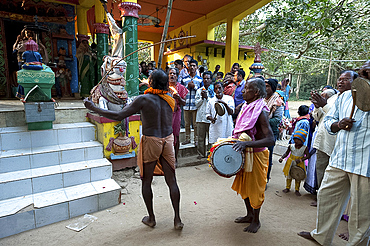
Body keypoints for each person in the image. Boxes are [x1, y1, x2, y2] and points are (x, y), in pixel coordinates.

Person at [83, 69, 184, 230]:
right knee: (172, 181)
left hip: (152, 141)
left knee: (146, 181)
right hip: (168, 140)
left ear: (150, 83)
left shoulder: (143, 99)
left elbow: (118, 116)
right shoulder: (170, 98)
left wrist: (93, 107)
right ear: (166, 84)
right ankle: (177, 219)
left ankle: (151, 218)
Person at [298, 66, 369, 246]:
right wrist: (338, 124)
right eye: (362, 73)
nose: (364, 76)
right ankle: (321, 235)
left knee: (361, 212)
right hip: (340, 158)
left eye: (368, 73)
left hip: (365, 164)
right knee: (326, 196)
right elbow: (329, 120)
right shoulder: (344, 97)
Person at [307, 71, 357, 206]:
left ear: (355, 82)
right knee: (321, 172)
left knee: (335, 178)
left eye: (346, 79)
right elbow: (318, 118)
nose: (341, 82)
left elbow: (341, 120)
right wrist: (317, 107)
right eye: (340, 79)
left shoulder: (355, 100)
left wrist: (324, 104)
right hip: (323, 142)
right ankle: (321, 199)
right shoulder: (333, 98)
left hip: (337, 146)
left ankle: (333, 204)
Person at [231, 77, 274, 233]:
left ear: (255, 92)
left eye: (247, 88)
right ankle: (249, 215)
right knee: (245, 186)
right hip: (246, 153)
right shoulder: (247, 106)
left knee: (255, 189)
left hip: (256, 155)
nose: (243, 91)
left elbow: (270, 139)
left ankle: (256, 220)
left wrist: (246, 144)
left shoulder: (261, 111)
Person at [264, 78, 284, 182]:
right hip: (259, 132)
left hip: (270, 132)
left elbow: (276, 120)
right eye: (264, 86)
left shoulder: (278, 101)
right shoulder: (261, 98)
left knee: (267, 155)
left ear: (273, 88)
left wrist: (263, 121)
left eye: (267, 86)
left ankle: (266, 179)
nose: (265, 88)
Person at [279, 129, 310, 196]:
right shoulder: (291, 146)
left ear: (303, 140)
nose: (296, 141)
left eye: (298, 140)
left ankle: (297, 189)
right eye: (295, 139)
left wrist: (301, 160)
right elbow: (286, 153)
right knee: (289, 175)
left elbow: (308, 156)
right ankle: (287, 187)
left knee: (298, 176)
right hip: (290, 162)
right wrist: (282, 157)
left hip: (299, 163)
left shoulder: (305, 148)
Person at [168, 68, 188, 163]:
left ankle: (175, 158)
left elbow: (184, 103)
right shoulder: (164, 87)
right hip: (165, 114)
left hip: (176, 114)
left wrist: (178, 97)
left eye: (174, 73)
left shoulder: (181, 88)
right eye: (170, 73)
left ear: (177, 76)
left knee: (175, 135)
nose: (172, 75)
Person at [181, 59, 203, 145]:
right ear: (188, 67)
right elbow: (182, 91)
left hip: (195, 105)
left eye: (194, 66)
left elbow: (201, 92)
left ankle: (196, 139)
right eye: (191, 65)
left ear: (197, 67)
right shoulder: (184, 79)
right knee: (187, 124)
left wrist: (194, 87)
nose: (192, 67)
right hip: (186, 104)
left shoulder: (200, 80)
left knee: (195, 124)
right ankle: (187, 139)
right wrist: (187, 86)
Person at [195, 71, 214, 158]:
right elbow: (196, 104)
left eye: (208, 78)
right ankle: (201, 154)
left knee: (211, 138)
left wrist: (207, 97)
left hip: (210, 118)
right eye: (204, 78)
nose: (206, 80)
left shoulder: (214, 91)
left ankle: (211, 154)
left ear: (211, 80)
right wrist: (202, 98)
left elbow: (214, 104)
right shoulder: (199, 90)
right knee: (200, 137)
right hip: (200, 117)